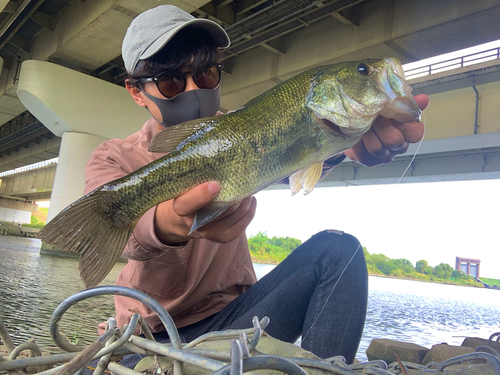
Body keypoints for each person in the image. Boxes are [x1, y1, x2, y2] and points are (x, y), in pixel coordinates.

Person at [84, 4, 428, 367]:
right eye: (171, 81)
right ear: (137, 92)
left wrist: (348, 148)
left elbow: (290, 158)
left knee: (339, 251)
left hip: (240, 321)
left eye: (205, 75)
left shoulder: (244, 127)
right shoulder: (113, 158)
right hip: (151, 333)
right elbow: (124, 238)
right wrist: (167, 223)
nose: (192, 90)